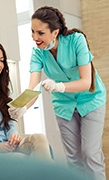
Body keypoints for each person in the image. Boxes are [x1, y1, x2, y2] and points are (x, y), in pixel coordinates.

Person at [8, 6, 106, 180]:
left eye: (40, 33)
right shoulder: (38, 53)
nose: (34, 37)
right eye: (32, 31)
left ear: (55, 32)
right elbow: (32, 86)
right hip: (64, 106)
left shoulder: (76, 40)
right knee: (74, 158)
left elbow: (86, 81)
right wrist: (22, 107)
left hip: (90, 100)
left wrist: (59, 86)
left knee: (90, 153)